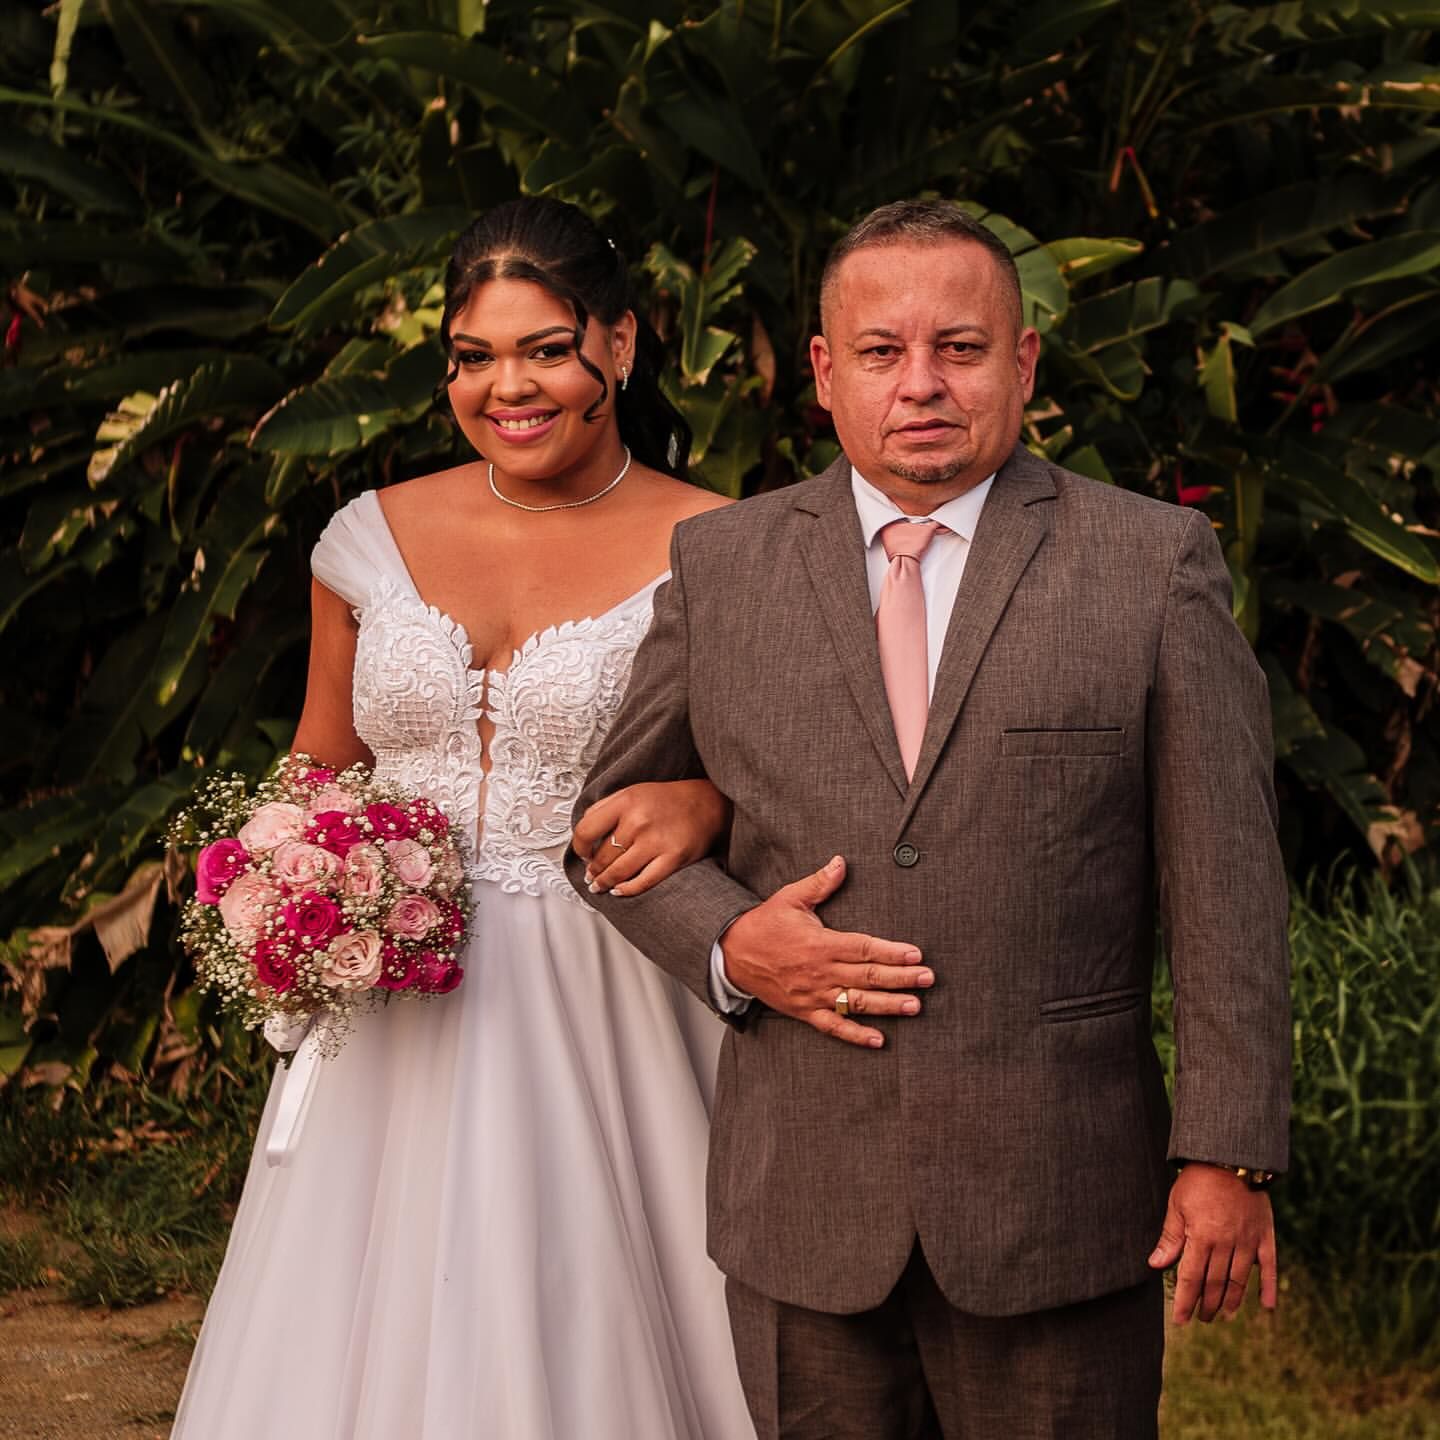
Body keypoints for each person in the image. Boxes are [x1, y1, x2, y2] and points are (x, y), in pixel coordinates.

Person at [568, 198, 1291, 1438]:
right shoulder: (724, 565)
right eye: (882, 351)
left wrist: (1229, 1154)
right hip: (802, 1193)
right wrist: (733, 946)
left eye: (959, 347)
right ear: (824, 373)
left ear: (1022, 364)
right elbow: (601, 831)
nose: (922, 385)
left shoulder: (1149, 565)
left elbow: (1227, 883)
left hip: (1058, 1198)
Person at [172, 197, 754, 1440]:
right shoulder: (366, 539)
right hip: (392, 1005)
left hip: (610, 988)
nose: (510, 387)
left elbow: (799, 772)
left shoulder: (721, 544)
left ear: (621, 345)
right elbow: (320, 769)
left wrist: (706, 799)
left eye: (546, 348)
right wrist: (285, 878)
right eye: (474, 357)